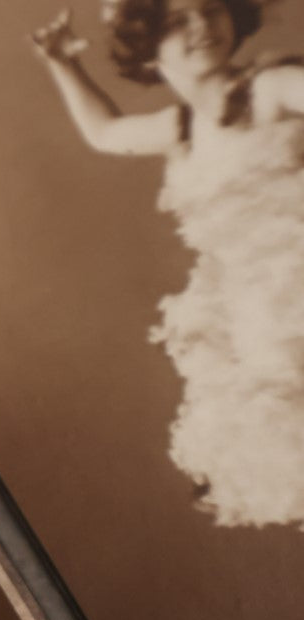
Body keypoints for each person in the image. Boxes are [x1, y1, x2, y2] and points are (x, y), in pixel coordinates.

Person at [32, 0, 304, 528]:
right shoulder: (182, 128)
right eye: (178, 20)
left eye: (211, 8)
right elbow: (106, 134)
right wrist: (64, 65)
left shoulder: (269, 90)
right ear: (147, 46)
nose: (202, 26)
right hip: (261, 322)